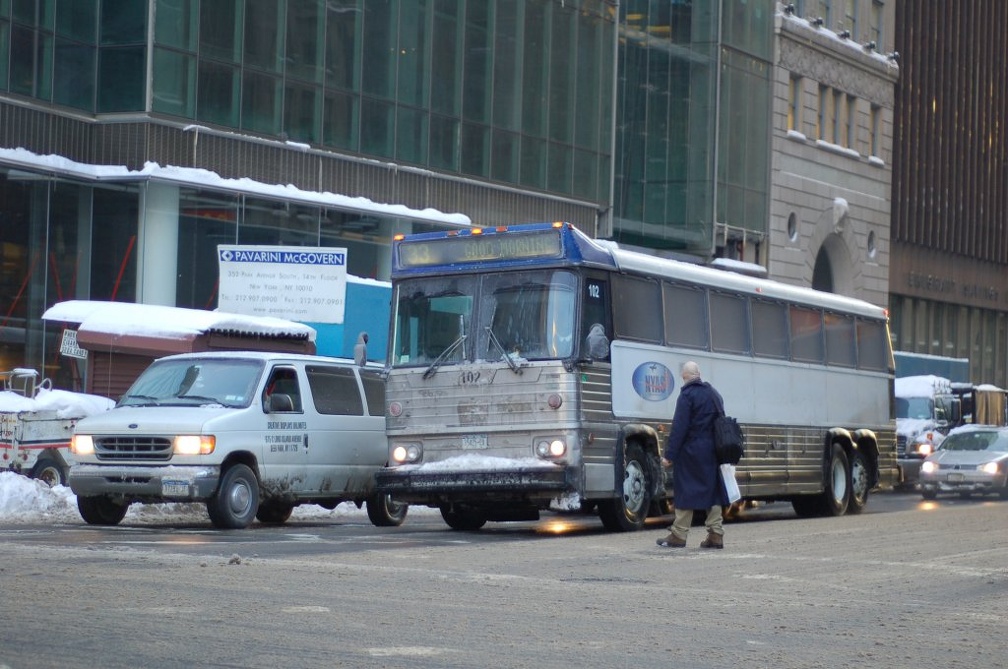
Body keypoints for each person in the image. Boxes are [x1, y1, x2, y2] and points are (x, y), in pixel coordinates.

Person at [657, 360, 729, 549]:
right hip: (712, 451)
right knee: (712, 492)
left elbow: (679, 428)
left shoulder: (687, 396)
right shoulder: (714, 394)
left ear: (684, 376)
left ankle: (679, 534)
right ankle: (716, 534)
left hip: (691, 452)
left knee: (685, 490)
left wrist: (669, 455)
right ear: (699, 374)